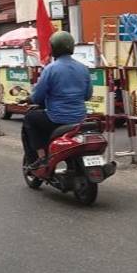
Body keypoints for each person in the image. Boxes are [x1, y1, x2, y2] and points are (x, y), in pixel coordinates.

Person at [20, 31, 92, 170]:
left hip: (57, 118)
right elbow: (87, 96)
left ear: (53, 48)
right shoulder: (83, 69)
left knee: (30, 118)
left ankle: (41, 158)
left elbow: (38, 96)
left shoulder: (51, 69)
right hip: (80, 118)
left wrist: (29, 99)